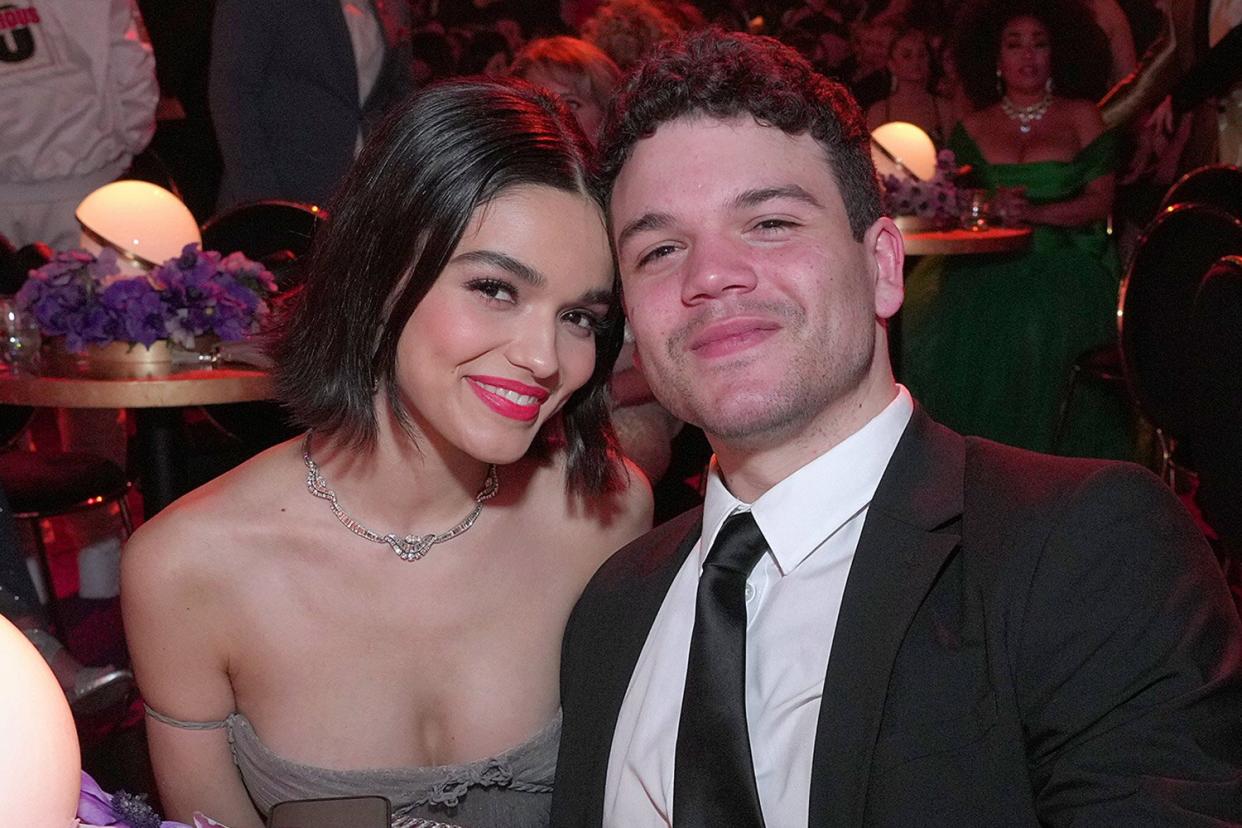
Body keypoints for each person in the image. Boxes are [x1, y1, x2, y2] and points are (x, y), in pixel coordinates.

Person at [550, 28, 1242, 826]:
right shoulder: (609, 611)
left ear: (883, 266)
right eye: (661, 248)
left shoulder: (1079, 549)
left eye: (770, 222)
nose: (710, 275)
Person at [123, 77, 652, 828]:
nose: (545, 358)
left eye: (578, 316)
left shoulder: (604, 517)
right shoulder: (186, 568)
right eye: (496, 288)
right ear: (378, 273)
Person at [900, 0, 1131, 457]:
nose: (1027, 56)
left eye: (1038, 45)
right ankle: (967, 465)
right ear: (996, 59)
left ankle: (1046, 468)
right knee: (937, 312)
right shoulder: (973, 126)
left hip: (1067, 258)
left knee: (1030, 317)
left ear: (1055, 54)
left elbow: (1100, 203)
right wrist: (984, 203)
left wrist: (1035, 215)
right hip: (990, 260)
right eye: (1014, 45)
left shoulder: (1082, 115)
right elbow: (955, 206)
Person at [208, 0, 414, 209]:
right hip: (285, 196)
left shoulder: (381, 7)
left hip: (361, 201)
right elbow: (232, 98)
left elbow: (394, 97)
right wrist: (266, 205)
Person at [0, 0, 157, 251]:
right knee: (95, 288)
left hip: (73, 181)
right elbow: (131, 64)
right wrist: (126, 145)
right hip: (87, 181)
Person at [865, 27, 956, 146]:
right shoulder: (879, 113)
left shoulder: (944, 109)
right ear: (892, 64)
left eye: (922, 55)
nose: (916, 61)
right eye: (907, 56)